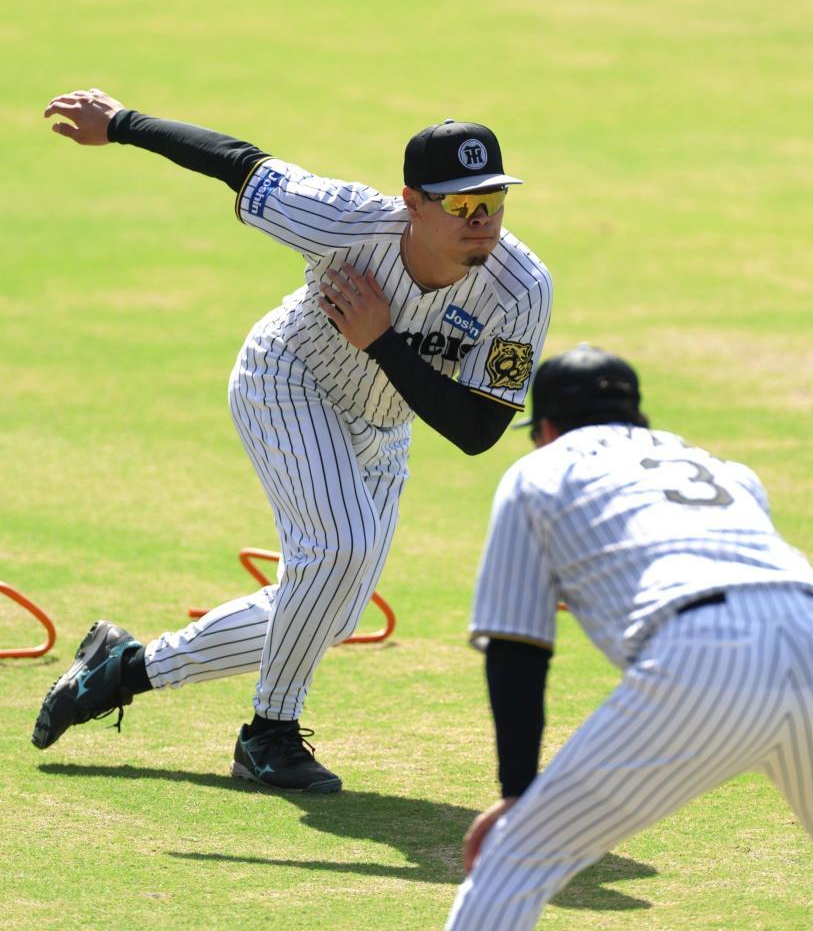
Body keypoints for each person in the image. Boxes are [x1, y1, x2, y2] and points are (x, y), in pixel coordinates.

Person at [32, 88, 553, 794]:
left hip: (382, 423)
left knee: (324, 612)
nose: (480, 220)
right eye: (460, 205)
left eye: (491, 201)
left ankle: (122, 668)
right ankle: (268, 734)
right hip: (287, 378)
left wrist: (382, 343)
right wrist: (121, 124)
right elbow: (238, 164)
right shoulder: (346, 219)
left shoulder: (519, 288)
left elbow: (477, 430)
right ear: (412, 201)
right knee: (336, 549)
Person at [445, 343, 813, 929]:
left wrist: (519, 795)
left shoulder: (538, 470)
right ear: (639, 417)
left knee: (515, 860)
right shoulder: (719, 467)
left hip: (708, 658)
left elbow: (517, 648)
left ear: (546, 427)